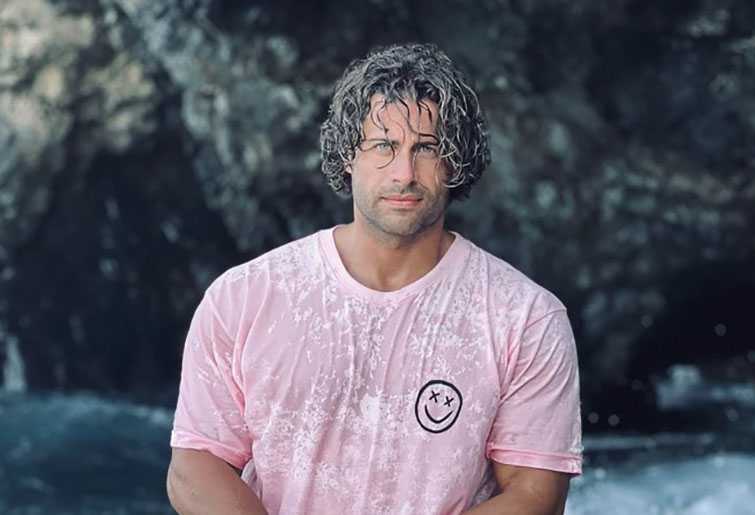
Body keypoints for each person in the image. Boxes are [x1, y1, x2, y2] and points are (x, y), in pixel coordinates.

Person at [166, 42, 582, 515]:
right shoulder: (244, 297)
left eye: (427, 148)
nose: (404, 173)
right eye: (384, 146)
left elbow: (535, 495)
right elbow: (195, 464)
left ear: (455, 162)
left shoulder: (525, 318)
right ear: (349, 154)